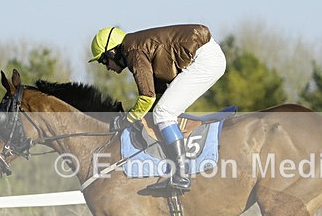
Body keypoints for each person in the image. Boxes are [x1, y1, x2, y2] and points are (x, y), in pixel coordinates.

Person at [89, 24, 226, 193]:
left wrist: (126, 120)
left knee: (163, 113)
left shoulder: (134, 52)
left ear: (113, 52)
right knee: (163, 110)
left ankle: (181, 176)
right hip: (205, 54)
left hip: (205, 60)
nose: (107, 67)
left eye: (104, 61)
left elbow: (147, 97)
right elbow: (157, 91)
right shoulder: (137, 46)